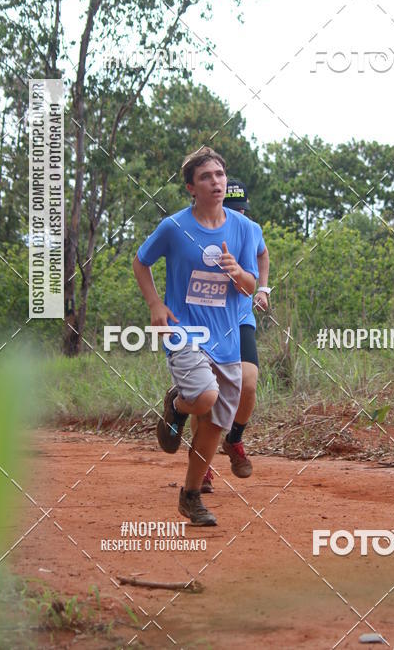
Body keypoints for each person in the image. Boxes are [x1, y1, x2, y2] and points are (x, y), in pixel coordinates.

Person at [132, 148, 258, 526]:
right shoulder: (174, 227)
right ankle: (178, 403)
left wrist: (238, 271)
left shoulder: (245, 230)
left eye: (220, 174)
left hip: (227, 335)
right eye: (206, 177)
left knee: (217, 423)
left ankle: (190, 497)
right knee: (204, 397)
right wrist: (155, 303)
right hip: (185, 330)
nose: (216, 181)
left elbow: (252, 286)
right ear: (191, 187)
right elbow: (141, 261)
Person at [199, 179, 270, 493]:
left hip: (240, 317)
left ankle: (235, 439)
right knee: (207, 395)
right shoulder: (201, 230)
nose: (239, 214)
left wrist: (263, 289)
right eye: (233, 209)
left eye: (243, 209)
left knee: (248, 382)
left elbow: (262, 255)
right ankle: (201, 464)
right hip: (207, 319)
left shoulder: (250, 228)